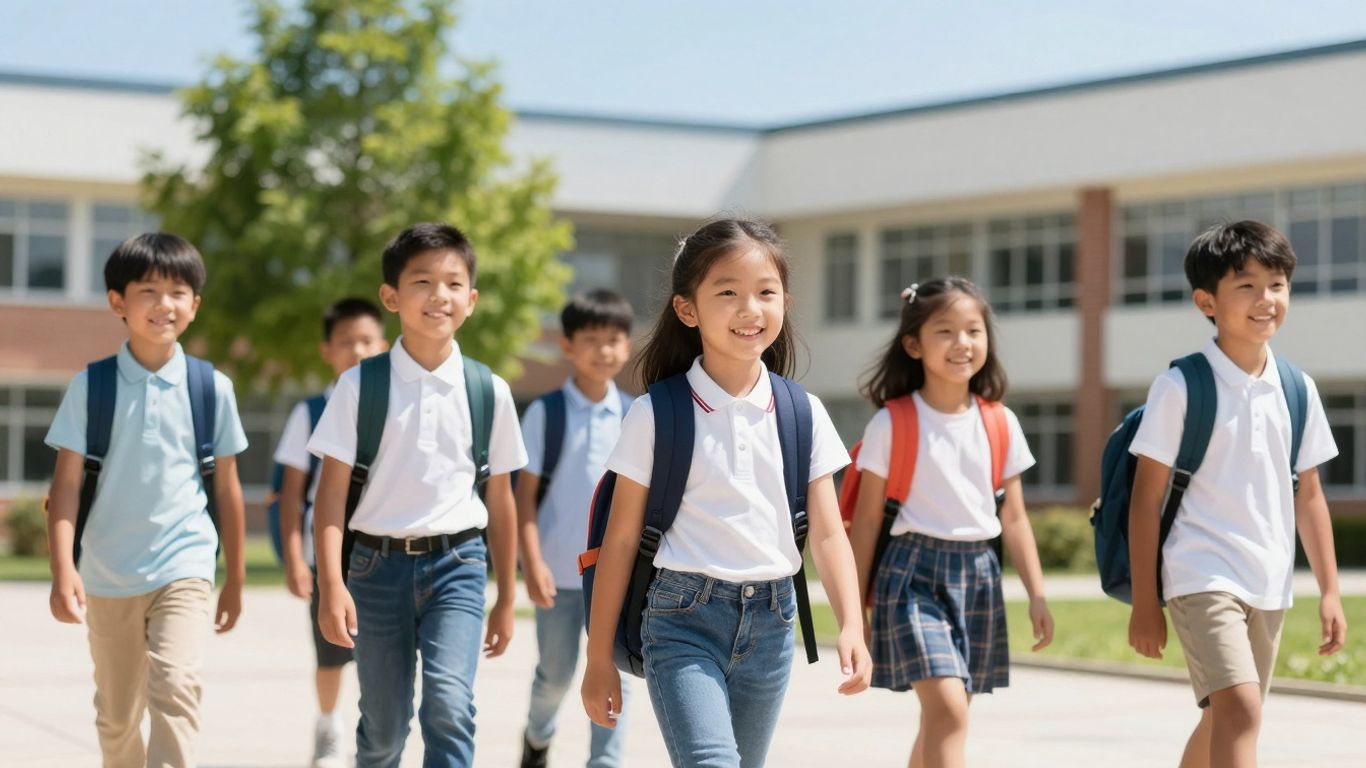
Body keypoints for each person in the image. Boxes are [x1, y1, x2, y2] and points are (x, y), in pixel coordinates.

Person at [581, 218, 871, 768]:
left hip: (774, 622)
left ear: (785, 302)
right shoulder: (655, 414)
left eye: (766, 293)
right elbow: (618, 542)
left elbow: (830, 534)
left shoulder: (802, 411)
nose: (749, 309)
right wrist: (598, 658)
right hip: (680, 619)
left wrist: (851, 625)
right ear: (687, 309)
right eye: (728, 293)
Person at [1127, 220, 1345, 768]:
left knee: (1226, 716)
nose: (1265, 298)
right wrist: (1145, 605)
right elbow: (1145, 499)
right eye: (1245, 285)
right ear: (1207, 301)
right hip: (1200, 573)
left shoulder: (1297, 388)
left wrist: (1330, 591)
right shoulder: (1180, 386)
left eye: (1277, 283)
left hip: (1268, 579)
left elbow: (1310, 495)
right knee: (1242, 711)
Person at [309, 223, 526, 767]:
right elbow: (331, 496)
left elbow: (501, 501)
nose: (439, 295)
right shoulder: (360, 385)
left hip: (459, 565)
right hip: (374, 572)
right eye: (422, 281)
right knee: (383, 731)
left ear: (471, 300)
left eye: (453, 283)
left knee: (449, 707)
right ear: (391, 297)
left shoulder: (488, 390)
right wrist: (331, 584)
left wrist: (505, 595)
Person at [44, 232, 249, 767]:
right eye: (149, 291)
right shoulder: (92, 387)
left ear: (195, 305)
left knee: (177, 688)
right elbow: (65, 486)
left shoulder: (212, 388)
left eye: (179, 292)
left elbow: (226, 489)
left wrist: (236, 578)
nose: (165, 304)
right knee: (116, 716)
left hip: (184, 562)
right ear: (118, 303)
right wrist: (63, 569)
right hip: (108, 573)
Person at [848, 276, 1054, 768]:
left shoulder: (1001, 422)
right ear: (914, 344)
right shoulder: (891, 423)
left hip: (979, 574)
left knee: (943, 718)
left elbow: (1016, 517)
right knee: (949, 713)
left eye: (973, 330)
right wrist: (853, 614)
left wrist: (1038, 595)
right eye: (945, 331)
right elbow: (866, 523)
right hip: (911, 575)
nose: (962, 343)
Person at [517, 288, 636, 768]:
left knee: (616, 670)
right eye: (591, 339)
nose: (603, 350)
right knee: (556, 674)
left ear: (626, 346)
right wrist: (533, 562)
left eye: (613, 340)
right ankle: (537, 736)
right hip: (559, 576)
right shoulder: (546, 413)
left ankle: (604, 762)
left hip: (616, 575)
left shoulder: (636, 414)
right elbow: (523, 499)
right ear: (567, 346)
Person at [272, 296, 388, 767]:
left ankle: (375, 735)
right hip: (330, 554)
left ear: (383, 344)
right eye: (346, 343)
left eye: (366, 341)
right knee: (331, 653)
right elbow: (290, 493)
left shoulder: (394, 405)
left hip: (384, 552)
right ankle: (327, 727)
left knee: (380, 656)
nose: (357, 351)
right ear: (327, 351)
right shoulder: (311, 410)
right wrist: (296, 559)